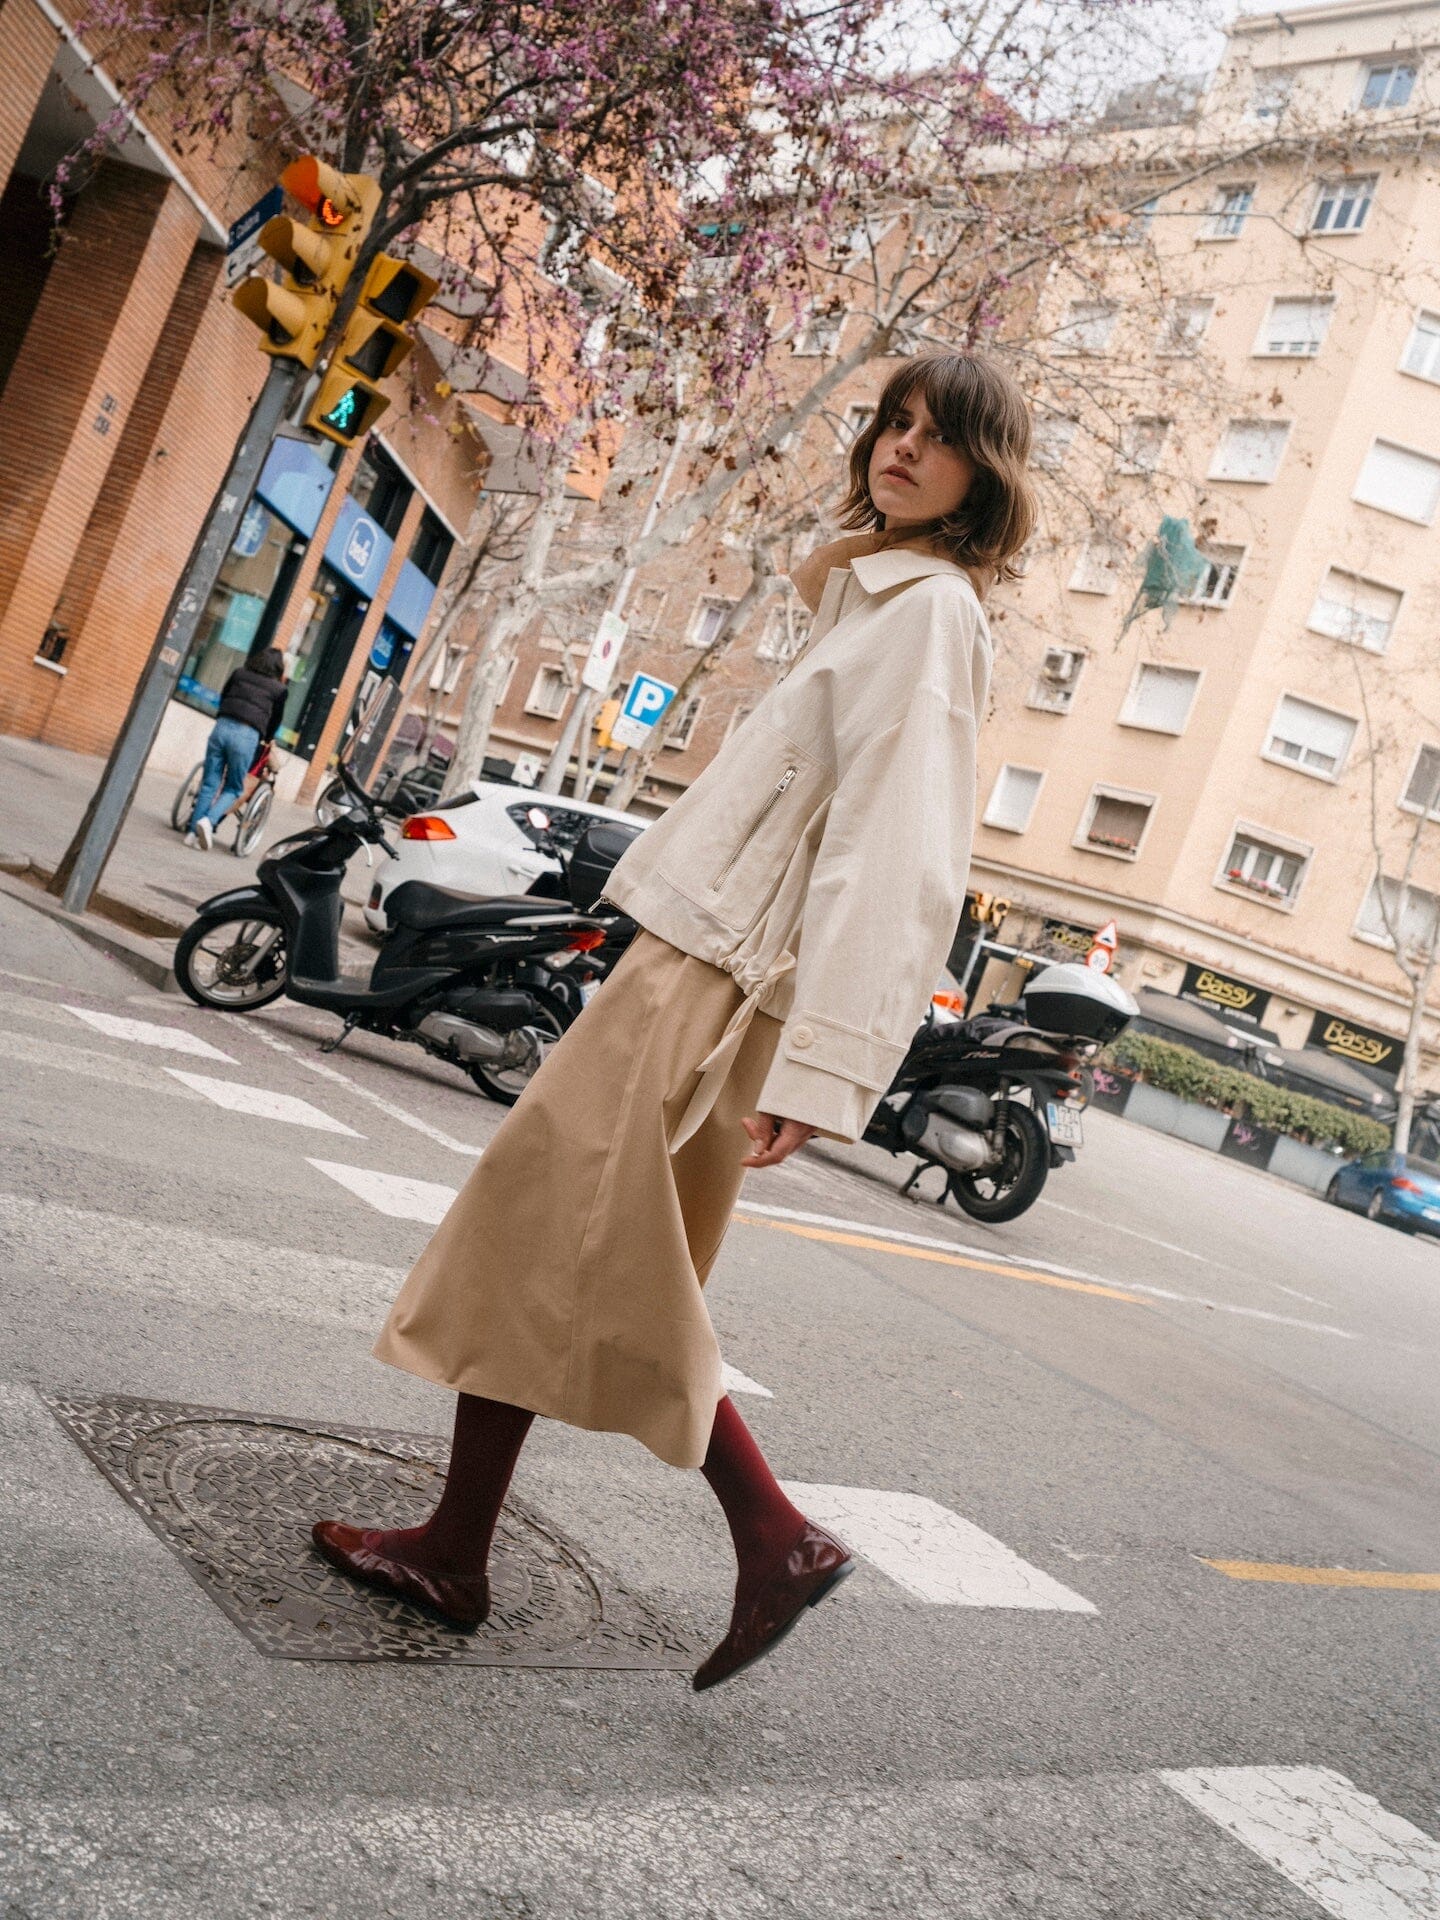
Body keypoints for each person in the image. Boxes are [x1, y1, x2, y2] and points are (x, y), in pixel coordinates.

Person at [314, 352, 1036, 1689]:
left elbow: (900, 854)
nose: (900, 447)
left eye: (937, 438)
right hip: (694, 957)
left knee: (575, 1244)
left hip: (720, 982)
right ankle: (465, 1546)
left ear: (983, 478)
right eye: (893, 421)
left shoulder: (928, 615)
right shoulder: (869, 600)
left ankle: (773, 1536)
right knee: (544, 1247)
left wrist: (825, 1065)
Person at [183, 647, 288, 850]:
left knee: (209, 784)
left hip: (221, 727)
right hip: (247, 735)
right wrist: (266, 739)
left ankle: (191, 834)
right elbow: (275, 720)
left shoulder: (239, 673)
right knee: (233, 787)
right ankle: (209, 821)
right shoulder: (279, 690)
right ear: (278, 668)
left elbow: (224, 696)